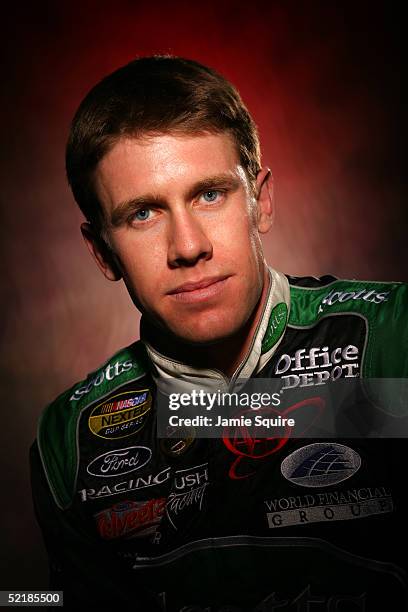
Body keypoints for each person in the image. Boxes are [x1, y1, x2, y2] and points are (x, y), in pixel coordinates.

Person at [30, 56, 408, 611]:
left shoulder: (392, 337)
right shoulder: (70, 439)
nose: (187, 246)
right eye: (142, 214)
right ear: (101, 251)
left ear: (262, 203)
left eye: (210, 194)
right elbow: (43, 603)